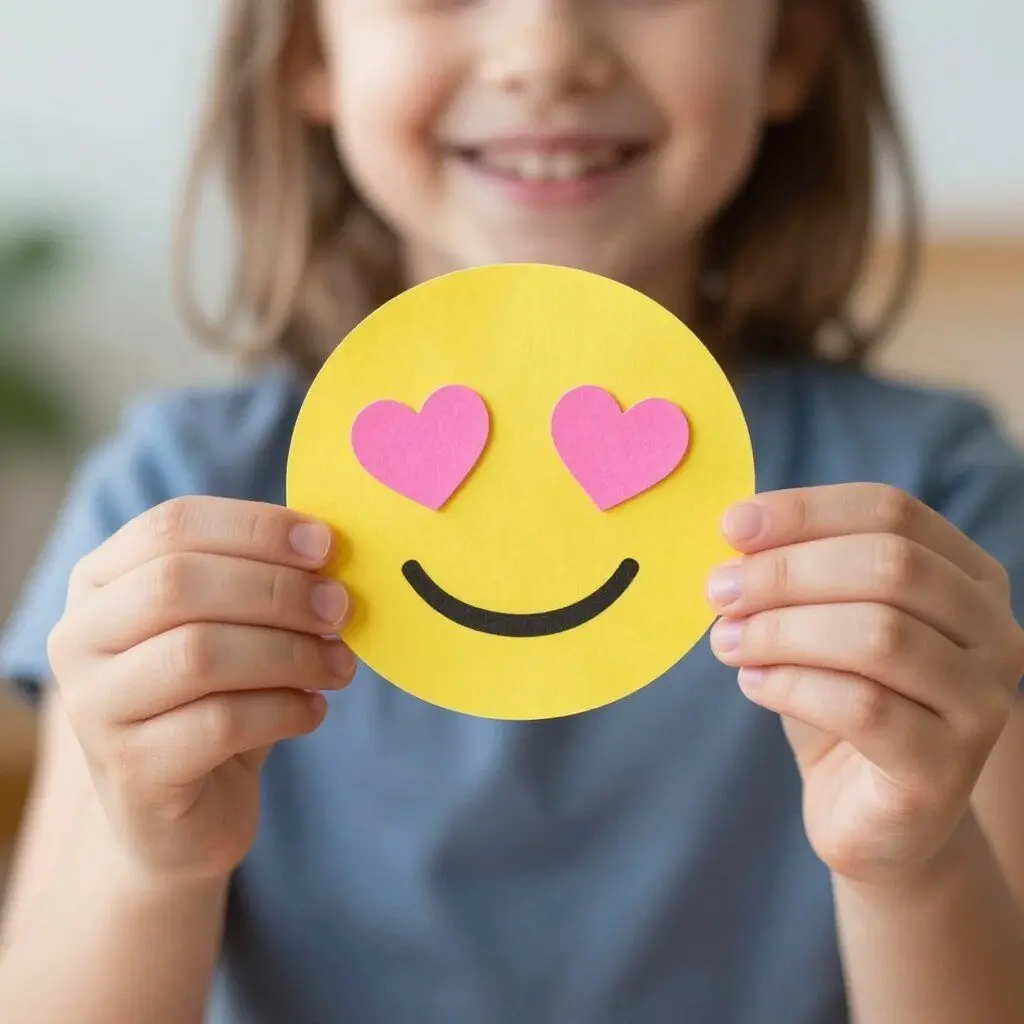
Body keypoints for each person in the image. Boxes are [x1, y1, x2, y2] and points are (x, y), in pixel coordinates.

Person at [1, 0, 1023, 1020]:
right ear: (312, 51)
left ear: (790, 45)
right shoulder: (174, 504)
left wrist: (913, 866)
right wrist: (151, 864)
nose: (545, 51)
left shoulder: (924, 512)